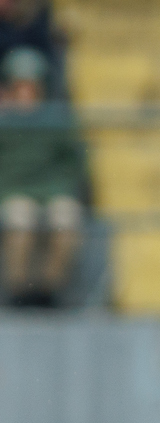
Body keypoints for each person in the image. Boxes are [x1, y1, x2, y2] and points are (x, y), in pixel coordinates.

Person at [0, 48, 84, 308]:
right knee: (20, 218)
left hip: (52, 191)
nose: (26, 93)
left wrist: (64, 189)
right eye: (20, 86)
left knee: (66, 217)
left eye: (31, 86)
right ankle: (18, 290)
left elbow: (74, 165)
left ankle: (51, 290)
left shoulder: (56, 120)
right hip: (12, 191)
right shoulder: (4, 122)